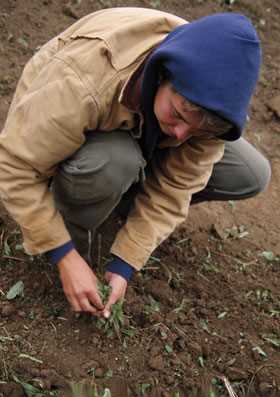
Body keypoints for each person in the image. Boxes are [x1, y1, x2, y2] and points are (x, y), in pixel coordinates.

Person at [0, 7, 271, 318]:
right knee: (115, 162)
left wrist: (125, 263)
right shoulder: (84, 79)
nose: (182, 135)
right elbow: (14, 165)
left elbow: (175, 190)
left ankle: (121, 196)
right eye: (178, 114)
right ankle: (72, 211)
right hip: (53, 131)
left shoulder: (210, 109)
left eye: (197, 130)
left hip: (139, 128)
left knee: (250, 172)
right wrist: (64, 254)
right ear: (161, 74)